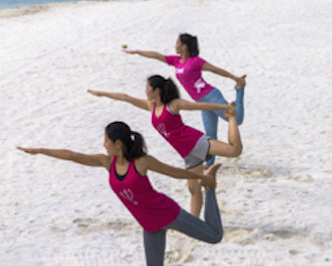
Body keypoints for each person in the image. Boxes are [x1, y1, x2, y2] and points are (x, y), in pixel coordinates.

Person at [18, 122, 223, 266]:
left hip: (167, 213)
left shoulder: (142, 162)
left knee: (214, 236)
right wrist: (40, 151)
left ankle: (211, 189)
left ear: (118, 143)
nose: (103, 144)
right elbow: (72, 155)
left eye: (106, 140)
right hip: (149, 224)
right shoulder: (107, 162)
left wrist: (201, 178)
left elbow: (172, 172)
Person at [88, 75, 241, 213]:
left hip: (194, 141)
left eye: (148, 88)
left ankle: (232, 118)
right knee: (193, 189)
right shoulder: (151, 106)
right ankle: (195, 222)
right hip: (186, 152)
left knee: (235, 151)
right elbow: (126, 97)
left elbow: (200, 106)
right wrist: (102, 94)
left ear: (157, 91)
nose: (145, 91)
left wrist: (225, 108)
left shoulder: (173, 105)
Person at [123, 33, 245, 141]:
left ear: (184, 46)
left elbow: (216, 70)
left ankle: (240, 90)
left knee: (236, 119)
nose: (175, 46)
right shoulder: (176, 61)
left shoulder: (196, 61)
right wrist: (137, 52)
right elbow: (156, 55)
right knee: (210, 135)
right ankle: (209, 164)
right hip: (200, 102)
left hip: (210, 95)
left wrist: (236, 79)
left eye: (177, 43)